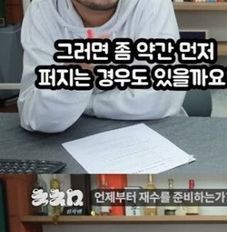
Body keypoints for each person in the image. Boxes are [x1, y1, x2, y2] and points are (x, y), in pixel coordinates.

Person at [19, 0, 185, 133]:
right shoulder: (43, 9)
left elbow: (159, 98)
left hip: (155, 133)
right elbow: (36, 117)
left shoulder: (152, 4)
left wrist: (83, 102)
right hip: (72, 136)